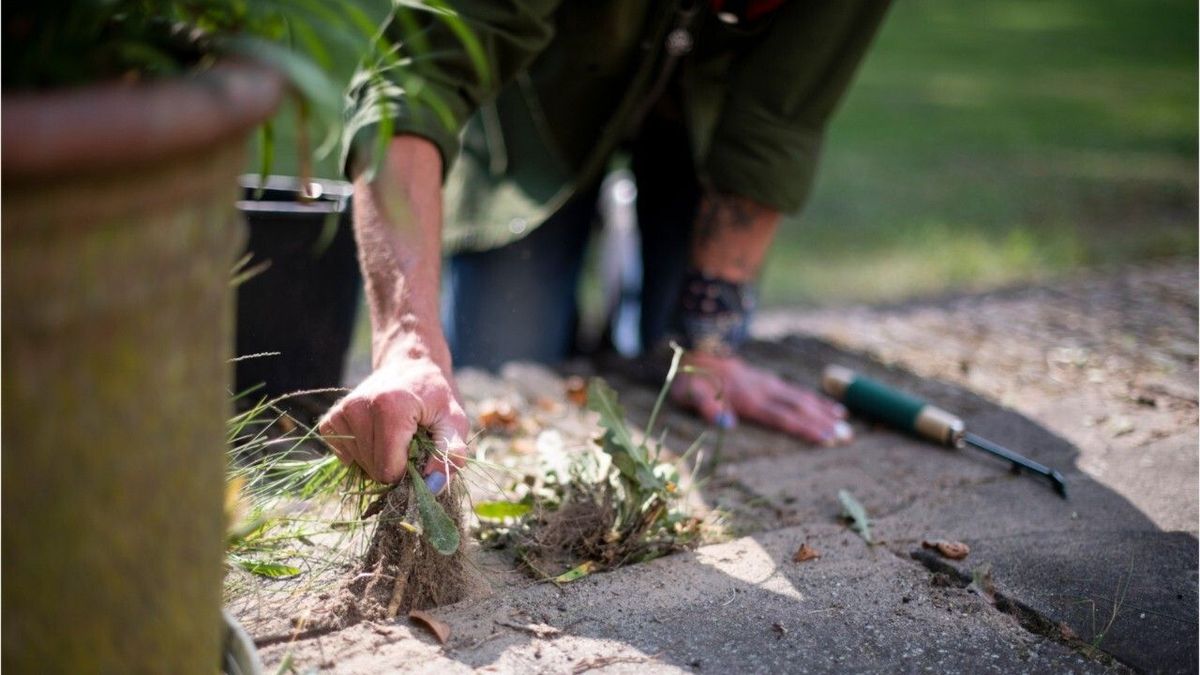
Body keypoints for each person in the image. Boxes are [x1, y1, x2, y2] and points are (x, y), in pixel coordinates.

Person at [319, 0, 892, 493]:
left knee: (675, 366)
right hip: (542, 114)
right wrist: (408, 341)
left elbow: (778, 119)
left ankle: (627, 266)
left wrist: (708, 342)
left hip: (705, 129)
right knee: (503, 358)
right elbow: (417, 79)